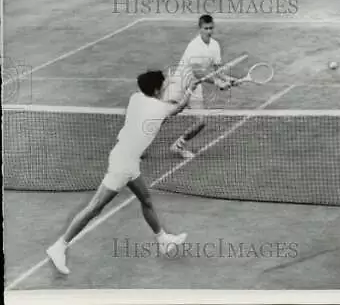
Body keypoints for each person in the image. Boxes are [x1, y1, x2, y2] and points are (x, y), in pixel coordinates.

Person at [46, 70, 198, 275]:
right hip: (123, 165)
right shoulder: (158, 107)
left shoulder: (136, 99)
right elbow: (177, 108)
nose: (164, 88)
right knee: (94, 208)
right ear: (155, 89)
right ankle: (59, 247)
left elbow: (165, 106)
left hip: (127, 159)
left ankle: (162, 239)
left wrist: (171, 83)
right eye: (162, 86)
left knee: (146, 200)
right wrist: (189, 90)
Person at [165, 14, 238, 159]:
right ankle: (138, 145)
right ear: (200, 29)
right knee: (164, 115)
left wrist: (229, 79)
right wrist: (217, 82)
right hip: (181, 82)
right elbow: (197, 72)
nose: (209, 31)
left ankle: (178, 146)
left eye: (211, 28)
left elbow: (218, 69)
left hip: (195, 86)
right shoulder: (194, 46)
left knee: (201, 121)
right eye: (206, 28)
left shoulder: (215, 45)